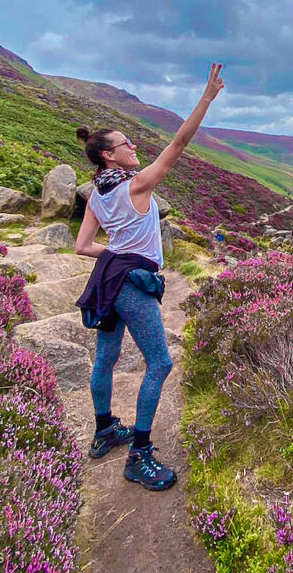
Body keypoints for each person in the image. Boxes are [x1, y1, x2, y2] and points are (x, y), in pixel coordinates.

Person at [74, 62, 224, 491]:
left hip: (108, 279)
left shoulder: (98, 192)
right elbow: (179, 143)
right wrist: (207, 98)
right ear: (109, 154)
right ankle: (139, 455)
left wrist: (119, 254)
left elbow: (82, 247)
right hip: (131, 283)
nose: (133, 145)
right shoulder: (135, 185)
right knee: (159, 362)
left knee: (106, 357)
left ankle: (105, 431)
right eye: (126, 143)